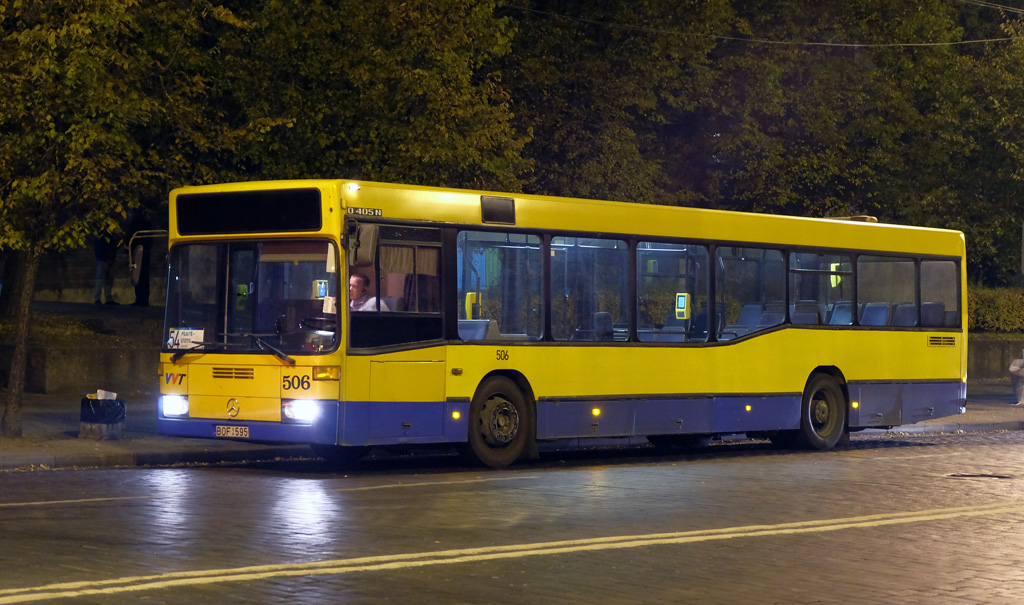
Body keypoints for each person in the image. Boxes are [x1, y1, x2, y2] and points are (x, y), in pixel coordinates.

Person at [93, 232, 118, 305]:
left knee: (107, 280)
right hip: (104, 259)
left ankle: (105, 299)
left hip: (106, 259)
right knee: (102, 279)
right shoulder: (103, 236)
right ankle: (99, 299)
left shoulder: (104, 236)